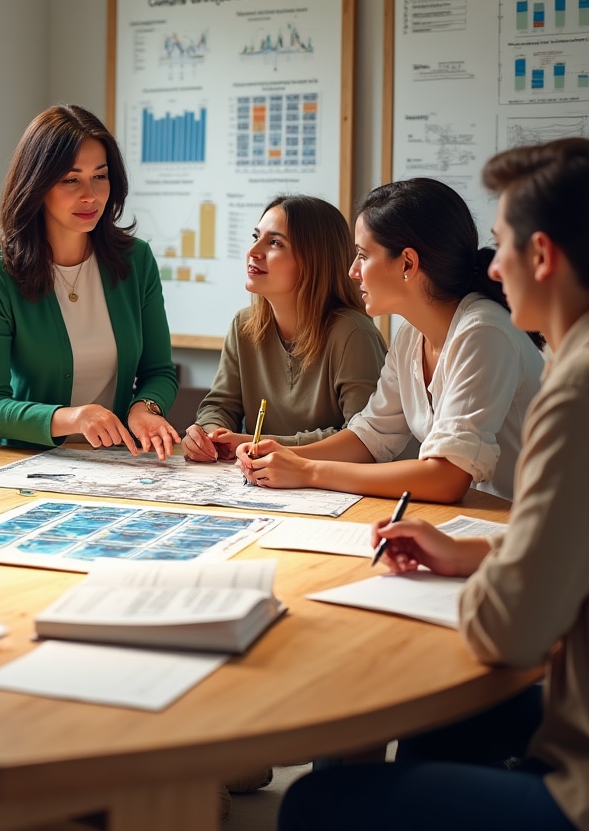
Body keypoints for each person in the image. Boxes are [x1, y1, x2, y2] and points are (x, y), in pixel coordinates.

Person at [279, 139, 589, 831]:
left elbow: (509, 629)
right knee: (429, 732)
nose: (493, 264)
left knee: (314, 803)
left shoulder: (568, 384)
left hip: (577, 780)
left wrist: (489, 577)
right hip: (560, 670)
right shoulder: (424, 338)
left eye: (503, 244)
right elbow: (377, 431)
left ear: (542, 257)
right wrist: (474, 556)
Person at [238, 177, 544, 502]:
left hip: (534, 529)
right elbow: (371, 437)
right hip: (481, 519)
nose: (353, 271)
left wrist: (308, 471)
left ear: (407, 264)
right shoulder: (412, 335)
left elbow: (446, 478)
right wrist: (288, 455)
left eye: (362, 256)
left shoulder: (483, 332)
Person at [0, 104, 179, 457]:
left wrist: (146, 407)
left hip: (117, 461)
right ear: (37, 185)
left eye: (100, 176)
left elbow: (159, 371)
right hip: (21, 461)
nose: (90, 195)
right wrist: (74, 418)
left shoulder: (136, 261)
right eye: (70, 179)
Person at [182, 195, 387, 462]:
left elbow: (363, 442)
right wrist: (209, 436)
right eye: (255, 236)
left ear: (314, 260)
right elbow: (219, 406)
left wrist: (262, 444)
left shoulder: (353, 334)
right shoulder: (242, 325)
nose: (253, 251)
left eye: (275, 243)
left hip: (332, 490)